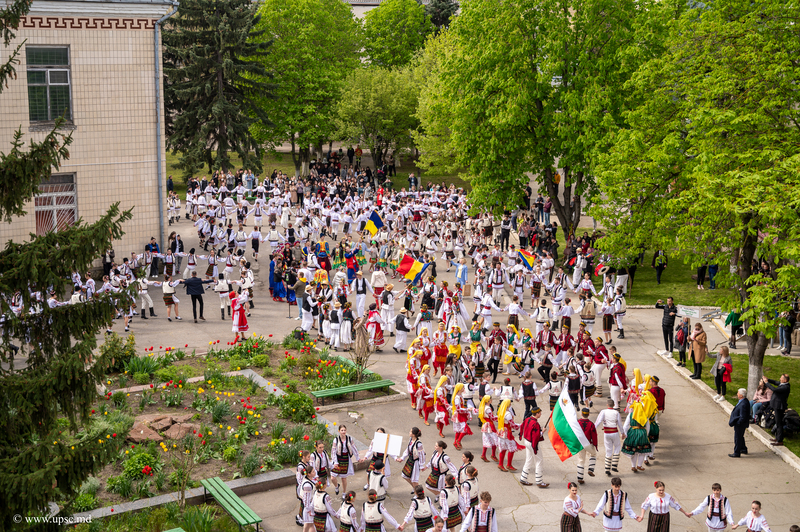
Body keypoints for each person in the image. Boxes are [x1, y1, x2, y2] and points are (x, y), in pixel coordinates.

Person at [519, 405, 548, 488]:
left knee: (529, 460)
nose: (541, 414)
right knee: (539, 460)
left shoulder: (527, 419)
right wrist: (542, 432)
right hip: (532, 443)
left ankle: (523, 478)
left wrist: (521, 434)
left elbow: (522, 426)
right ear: (537, 414)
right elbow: (536, 436)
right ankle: (539, 481)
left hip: (526, 441)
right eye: (540, 413)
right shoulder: (535, 424)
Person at [595, 399, 624, 476]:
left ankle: (607, 468)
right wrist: (622, 433)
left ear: (607, 405)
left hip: (607, 433)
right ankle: (614, 465)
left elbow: (598, 422)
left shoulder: (603, 412)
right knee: (617, 446)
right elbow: (620, 424)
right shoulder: (616, 413)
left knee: (608, 450)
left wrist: (593, 430)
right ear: (614, 405)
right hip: (614, 432)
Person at [331, 425, 360, 495]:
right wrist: (335, 461)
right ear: (339, 431)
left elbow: (354, 448)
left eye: (344, 430)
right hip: (338, 459)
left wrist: (358, 458)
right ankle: (336, 486)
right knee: (332, 477)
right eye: (342, 430)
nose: (343, 432)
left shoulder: (349, 438)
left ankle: (344, 493)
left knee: (343, 478)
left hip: (345, 459)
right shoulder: (336, 440)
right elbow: (333, 451)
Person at [764, 373, 791, 446]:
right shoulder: (783, 384)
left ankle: (780, 440)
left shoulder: (785, 387)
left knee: (779, 423)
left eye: (781, 378)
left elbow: (774, 389)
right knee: (777, 422)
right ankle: (778, 437)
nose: (780, 379)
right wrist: (768, 379)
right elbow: (775, 382)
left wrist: (766, 383)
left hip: (779, 406)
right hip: (777, 405)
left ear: (785, 380)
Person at [576, 407, 598, 484]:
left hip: (580, 444)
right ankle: (590, 469)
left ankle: (580, 477)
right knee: (593, 454)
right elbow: (594, 435)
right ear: (588, 415)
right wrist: (595, 445)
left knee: (581, 460)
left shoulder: (577, 423)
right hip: (588, 443)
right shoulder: (591, 424)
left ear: (581, 414)